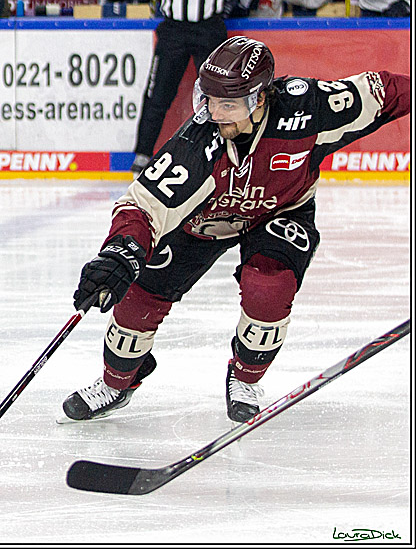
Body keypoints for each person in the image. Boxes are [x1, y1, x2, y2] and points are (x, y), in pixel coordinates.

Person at [59, 35, 410, 424]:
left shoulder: (309, 109)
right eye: (208, 100)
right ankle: (117, 382)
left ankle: (244, 379)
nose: (215, 112)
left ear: (260, 99)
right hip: (202, 224)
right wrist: (120, 252)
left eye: (228, 103)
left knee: (269, 287)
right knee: (139, 298)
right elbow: (143, 205)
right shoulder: (196, 144)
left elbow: (386, 92)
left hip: (281, 212)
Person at [61, 0, 298, 176]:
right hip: (173, 30)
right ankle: (142, 156)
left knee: (222, 97)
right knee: (157, 96)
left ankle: (232, 154)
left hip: (208, 29)